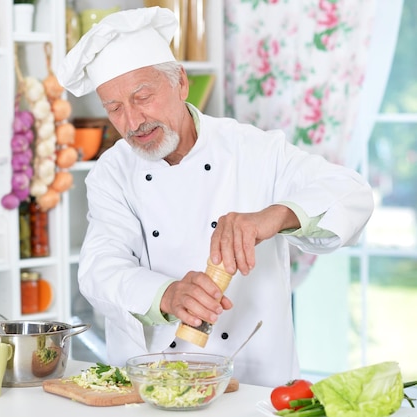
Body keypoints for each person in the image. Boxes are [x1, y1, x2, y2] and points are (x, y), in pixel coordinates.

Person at [56, 6, 374, 387]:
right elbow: (99, 270)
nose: (133, 122)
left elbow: (353, 194)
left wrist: (273, 217)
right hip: (152, 382)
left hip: (254, 379)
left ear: (181, 83)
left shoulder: (255, 150)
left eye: (143, 96)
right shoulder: (112, 172)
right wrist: (166, 295)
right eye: (115, 108)